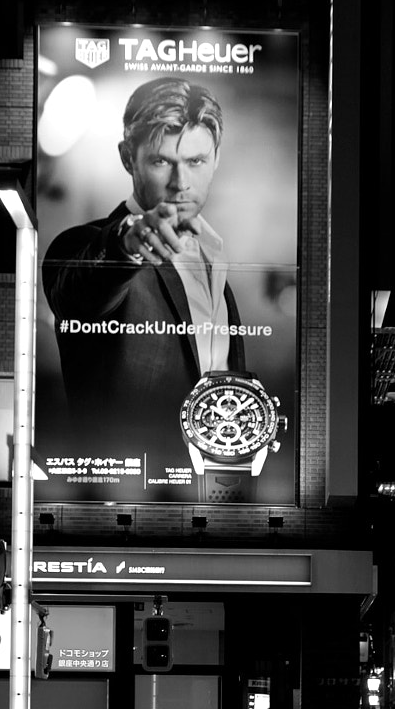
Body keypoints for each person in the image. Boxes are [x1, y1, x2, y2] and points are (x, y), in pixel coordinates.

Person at [42, 77, 246, 476]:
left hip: (217, 492)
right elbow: (78, 293)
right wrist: (126, 245)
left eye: (196, 161)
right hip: (124, 492)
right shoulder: (82, 244)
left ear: (216, 159)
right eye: (161, 161)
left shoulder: (215, 260)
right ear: (127, 158)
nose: (180, 182)